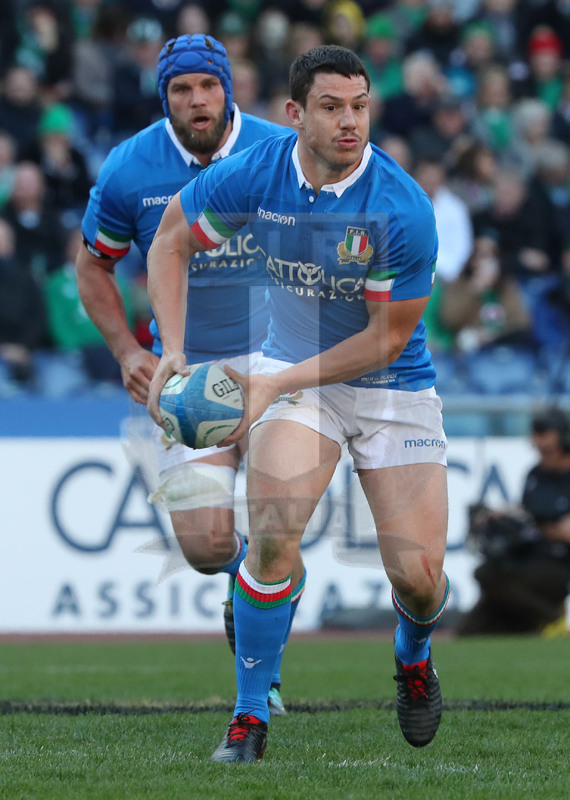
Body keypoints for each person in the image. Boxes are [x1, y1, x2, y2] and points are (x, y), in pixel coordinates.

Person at [147, 44, 450, 763]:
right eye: (331, 107)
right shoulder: (258, 171)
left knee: (419, 578)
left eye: (360, 106)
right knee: (274, 529)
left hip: (391, 387)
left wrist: (273, 383)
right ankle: (249, 718)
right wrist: (174, 348)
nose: (350, 122)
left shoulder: (402, 208)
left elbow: (385, 340)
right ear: (295, 114)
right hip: (297, 378)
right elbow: (168, 243)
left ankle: (413, 657)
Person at [76, 33, 305, 716]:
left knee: (276, 527)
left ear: (228, 88)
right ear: (165, 98)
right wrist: (126, 351)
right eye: (182, 90)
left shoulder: (281, 148)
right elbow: (93, 265)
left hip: (275, 367)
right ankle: (245, 585)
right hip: (186, 374)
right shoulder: (130, 168)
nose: (197, 100)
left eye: (208, 86)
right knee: (207, 546)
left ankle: (260, 681)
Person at [457, 408, 570, 636]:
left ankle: (553, 619)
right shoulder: (535, 474)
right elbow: (527, 512)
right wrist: (502, 516)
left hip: (558, 566)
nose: (537, 441)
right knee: (470, 632)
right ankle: (536, 622)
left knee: (489, 575)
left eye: (543, 432)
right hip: (528, 560)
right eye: (535, 434)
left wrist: (534, 525)